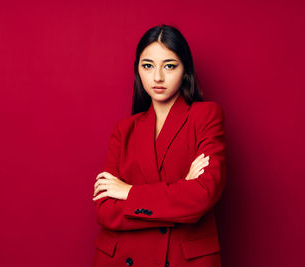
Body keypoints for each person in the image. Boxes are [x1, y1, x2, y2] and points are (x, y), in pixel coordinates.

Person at [92, 24, 226, 267]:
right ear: (138, 71)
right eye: (148, 66)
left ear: (185, 69)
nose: (158, 77)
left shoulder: (205, 116)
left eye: (169, 65)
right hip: (124, 258)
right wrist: (181, 195)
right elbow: (105, 210)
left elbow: (204, 194)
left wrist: (129, 192)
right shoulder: (124, 130)